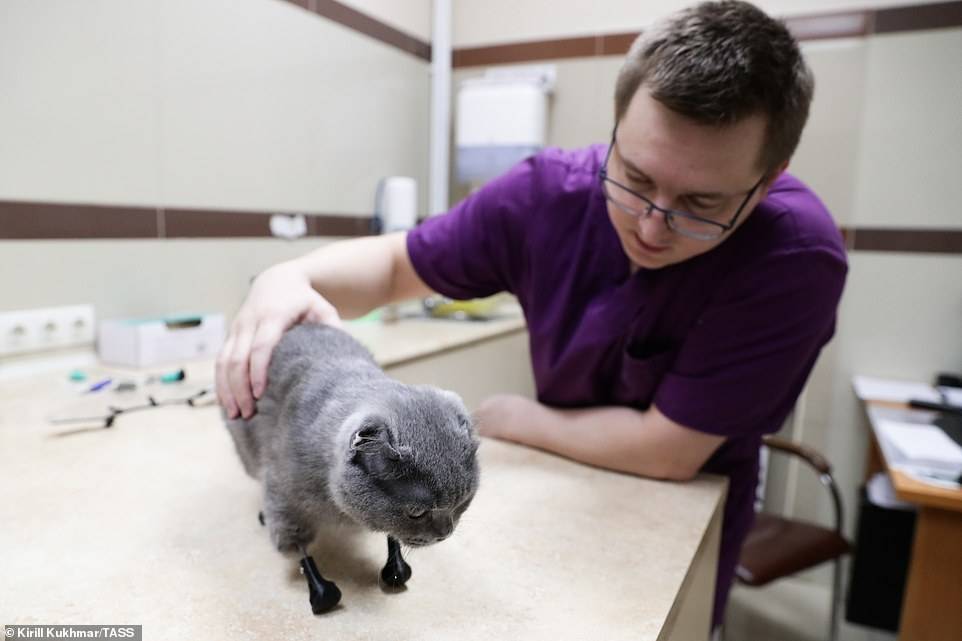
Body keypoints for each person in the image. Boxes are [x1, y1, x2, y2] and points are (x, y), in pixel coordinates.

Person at [216, 0, 847, 629]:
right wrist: (288, 278)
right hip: (553, 492)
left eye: (700, 202)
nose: (652, 225)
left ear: (768, 180)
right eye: (632, 175)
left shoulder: (796, 257)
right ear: (617, 124)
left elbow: (671, 451)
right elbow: (391, 269)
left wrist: (522, 418)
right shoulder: (545, 196)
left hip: (682, 499)